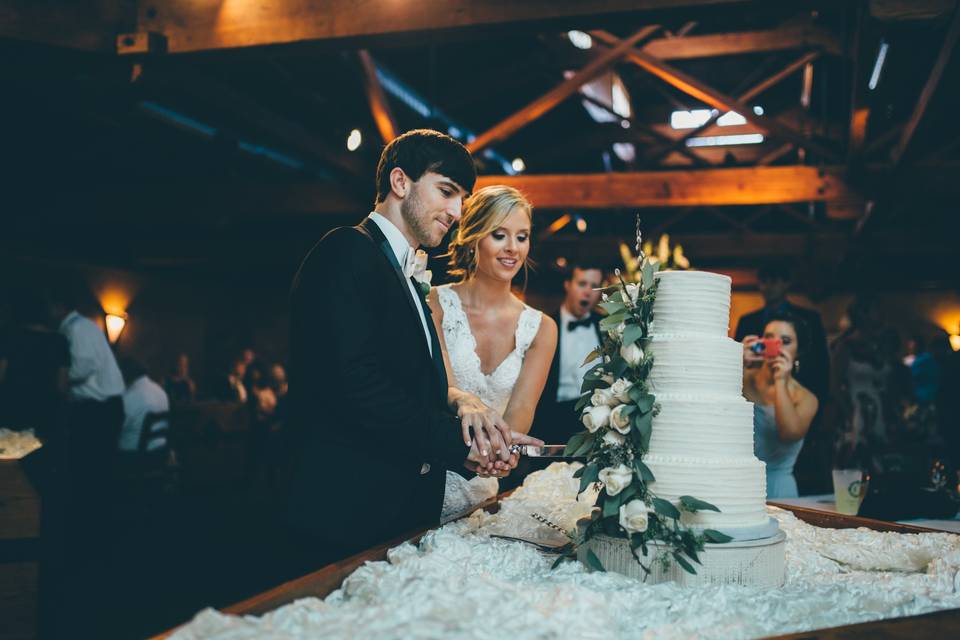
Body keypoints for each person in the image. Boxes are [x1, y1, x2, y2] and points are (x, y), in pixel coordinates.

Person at [286, 129, 541, 568]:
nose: (457, 212)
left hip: (399, 511)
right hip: (346, 511)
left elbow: (418, 386)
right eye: (446, 192)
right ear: (400, 183)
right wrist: (457, 445)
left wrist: (462, 407)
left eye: (461, 198)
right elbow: (355, 386)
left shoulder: (413, 278)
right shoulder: (347, 249)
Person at [428, 185, 557, 518]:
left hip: (484, 494)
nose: (512, 249)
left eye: (522, 236)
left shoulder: (541, 328)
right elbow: (439, 390)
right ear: (474, 237)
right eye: (499, 235)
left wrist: (502, 454)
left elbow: (521, 411)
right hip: (425, 477)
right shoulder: (434, 304)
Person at [742, 313, 819, 498]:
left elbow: (788, 434)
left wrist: (780, 380)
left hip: (779, 490)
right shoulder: (740, 378)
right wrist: (736, 362)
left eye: (785, 341)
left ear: (798, 351)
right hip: (737, 484)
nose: (775, 347)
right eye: (769, 338)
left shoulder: (805, 398)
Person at [532, 262, 604, 447]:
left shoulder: (606, 327)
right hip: (555, 421)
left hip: (599, 420)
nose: (588, 292)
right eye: (582, 284)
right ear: (568, 285)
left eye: (594, 286)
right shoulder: (545, 326)